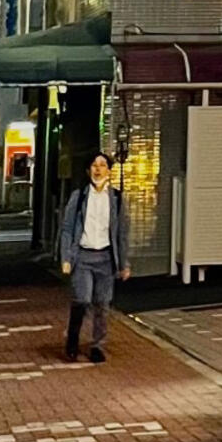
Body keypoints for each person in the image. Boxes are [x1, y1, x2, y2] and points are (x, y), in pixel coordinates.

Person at [58, 151, 130, 361]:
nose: (98, 169)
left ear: (109, 170)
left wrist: (124, 263)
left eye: (102, 165)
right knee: (82, 299)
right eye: (94, 165)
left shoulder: (116, 198)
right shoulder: (79, 196)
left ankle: (97, 345)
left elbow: (122, 233)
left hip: (106, 258)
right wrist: (66, 258)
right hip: (83, 256)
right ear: (88, 170)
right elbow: (67, 228)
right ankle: (72, 339)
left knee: (102, 303)